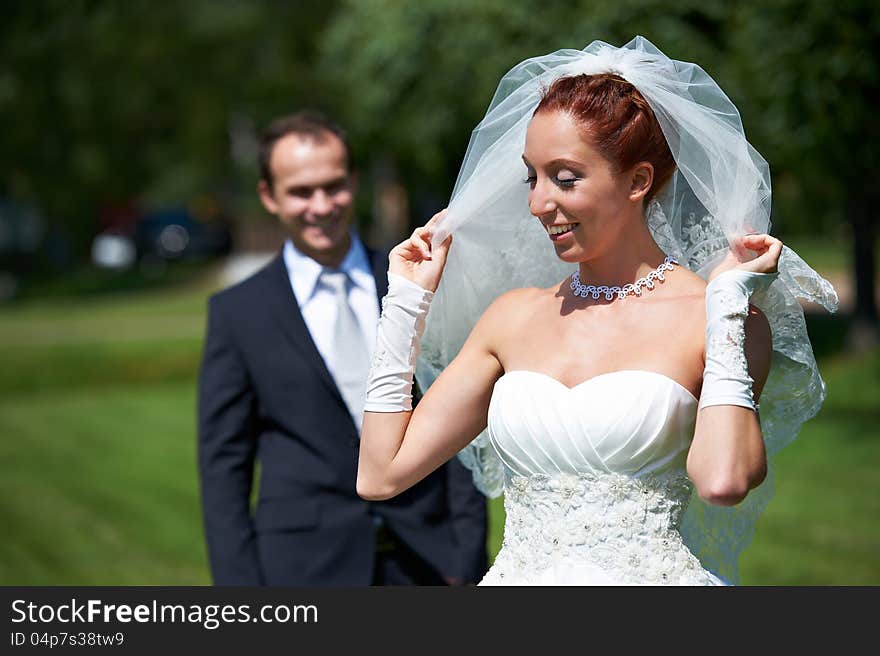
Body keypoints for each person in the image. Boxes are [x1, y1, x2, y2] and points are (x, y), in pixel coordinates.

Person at [356, 37, 838, 584]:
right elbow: (381, 474)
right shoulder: (511, 318)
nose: (539, 202)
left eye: (564, 177)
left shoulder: (719, 320)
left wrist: (725, 302)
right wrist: (406, 302)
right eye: (530, 177)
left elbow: (722, 481)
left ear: (637, 181)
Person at [197, 110, 488, 586]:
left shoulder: (416, 280)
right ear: (269, 196)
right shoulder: (237, 313)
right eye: (301, 192)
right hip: (304, 568)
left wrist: (466, 552)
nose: (321, 204)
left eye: (333, 186)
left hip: (431, 559)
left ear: (354, 181)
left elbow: (458, 421)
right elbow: (223, 470)